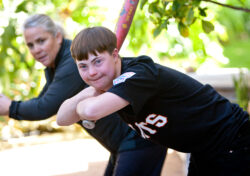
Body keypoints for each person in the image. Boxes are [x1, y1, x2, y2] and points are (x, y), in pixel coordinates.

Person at [57, 26, 250, 176]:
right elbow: (62, 117)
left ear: (115, 55)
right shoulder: (109, 82)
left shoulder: (138, 75)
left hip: (233, 139)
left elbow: (91, 111)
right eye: (83, 66)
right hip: (204, 149)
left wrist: (91, 92)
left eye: (98, 61)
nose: (91, 72)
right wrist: (93, 88)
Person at [0, 15, 168, 176]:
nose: (36, 50)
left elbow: (45, 107)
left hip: (137, 139)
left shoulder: (73, 62)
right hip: (123, 144)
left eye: (41, 41)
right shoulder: (57, 64)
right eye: (30, 45)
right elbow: (44, 102)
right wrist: (11, 106)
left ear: (57, 37)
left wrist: (10, 107)